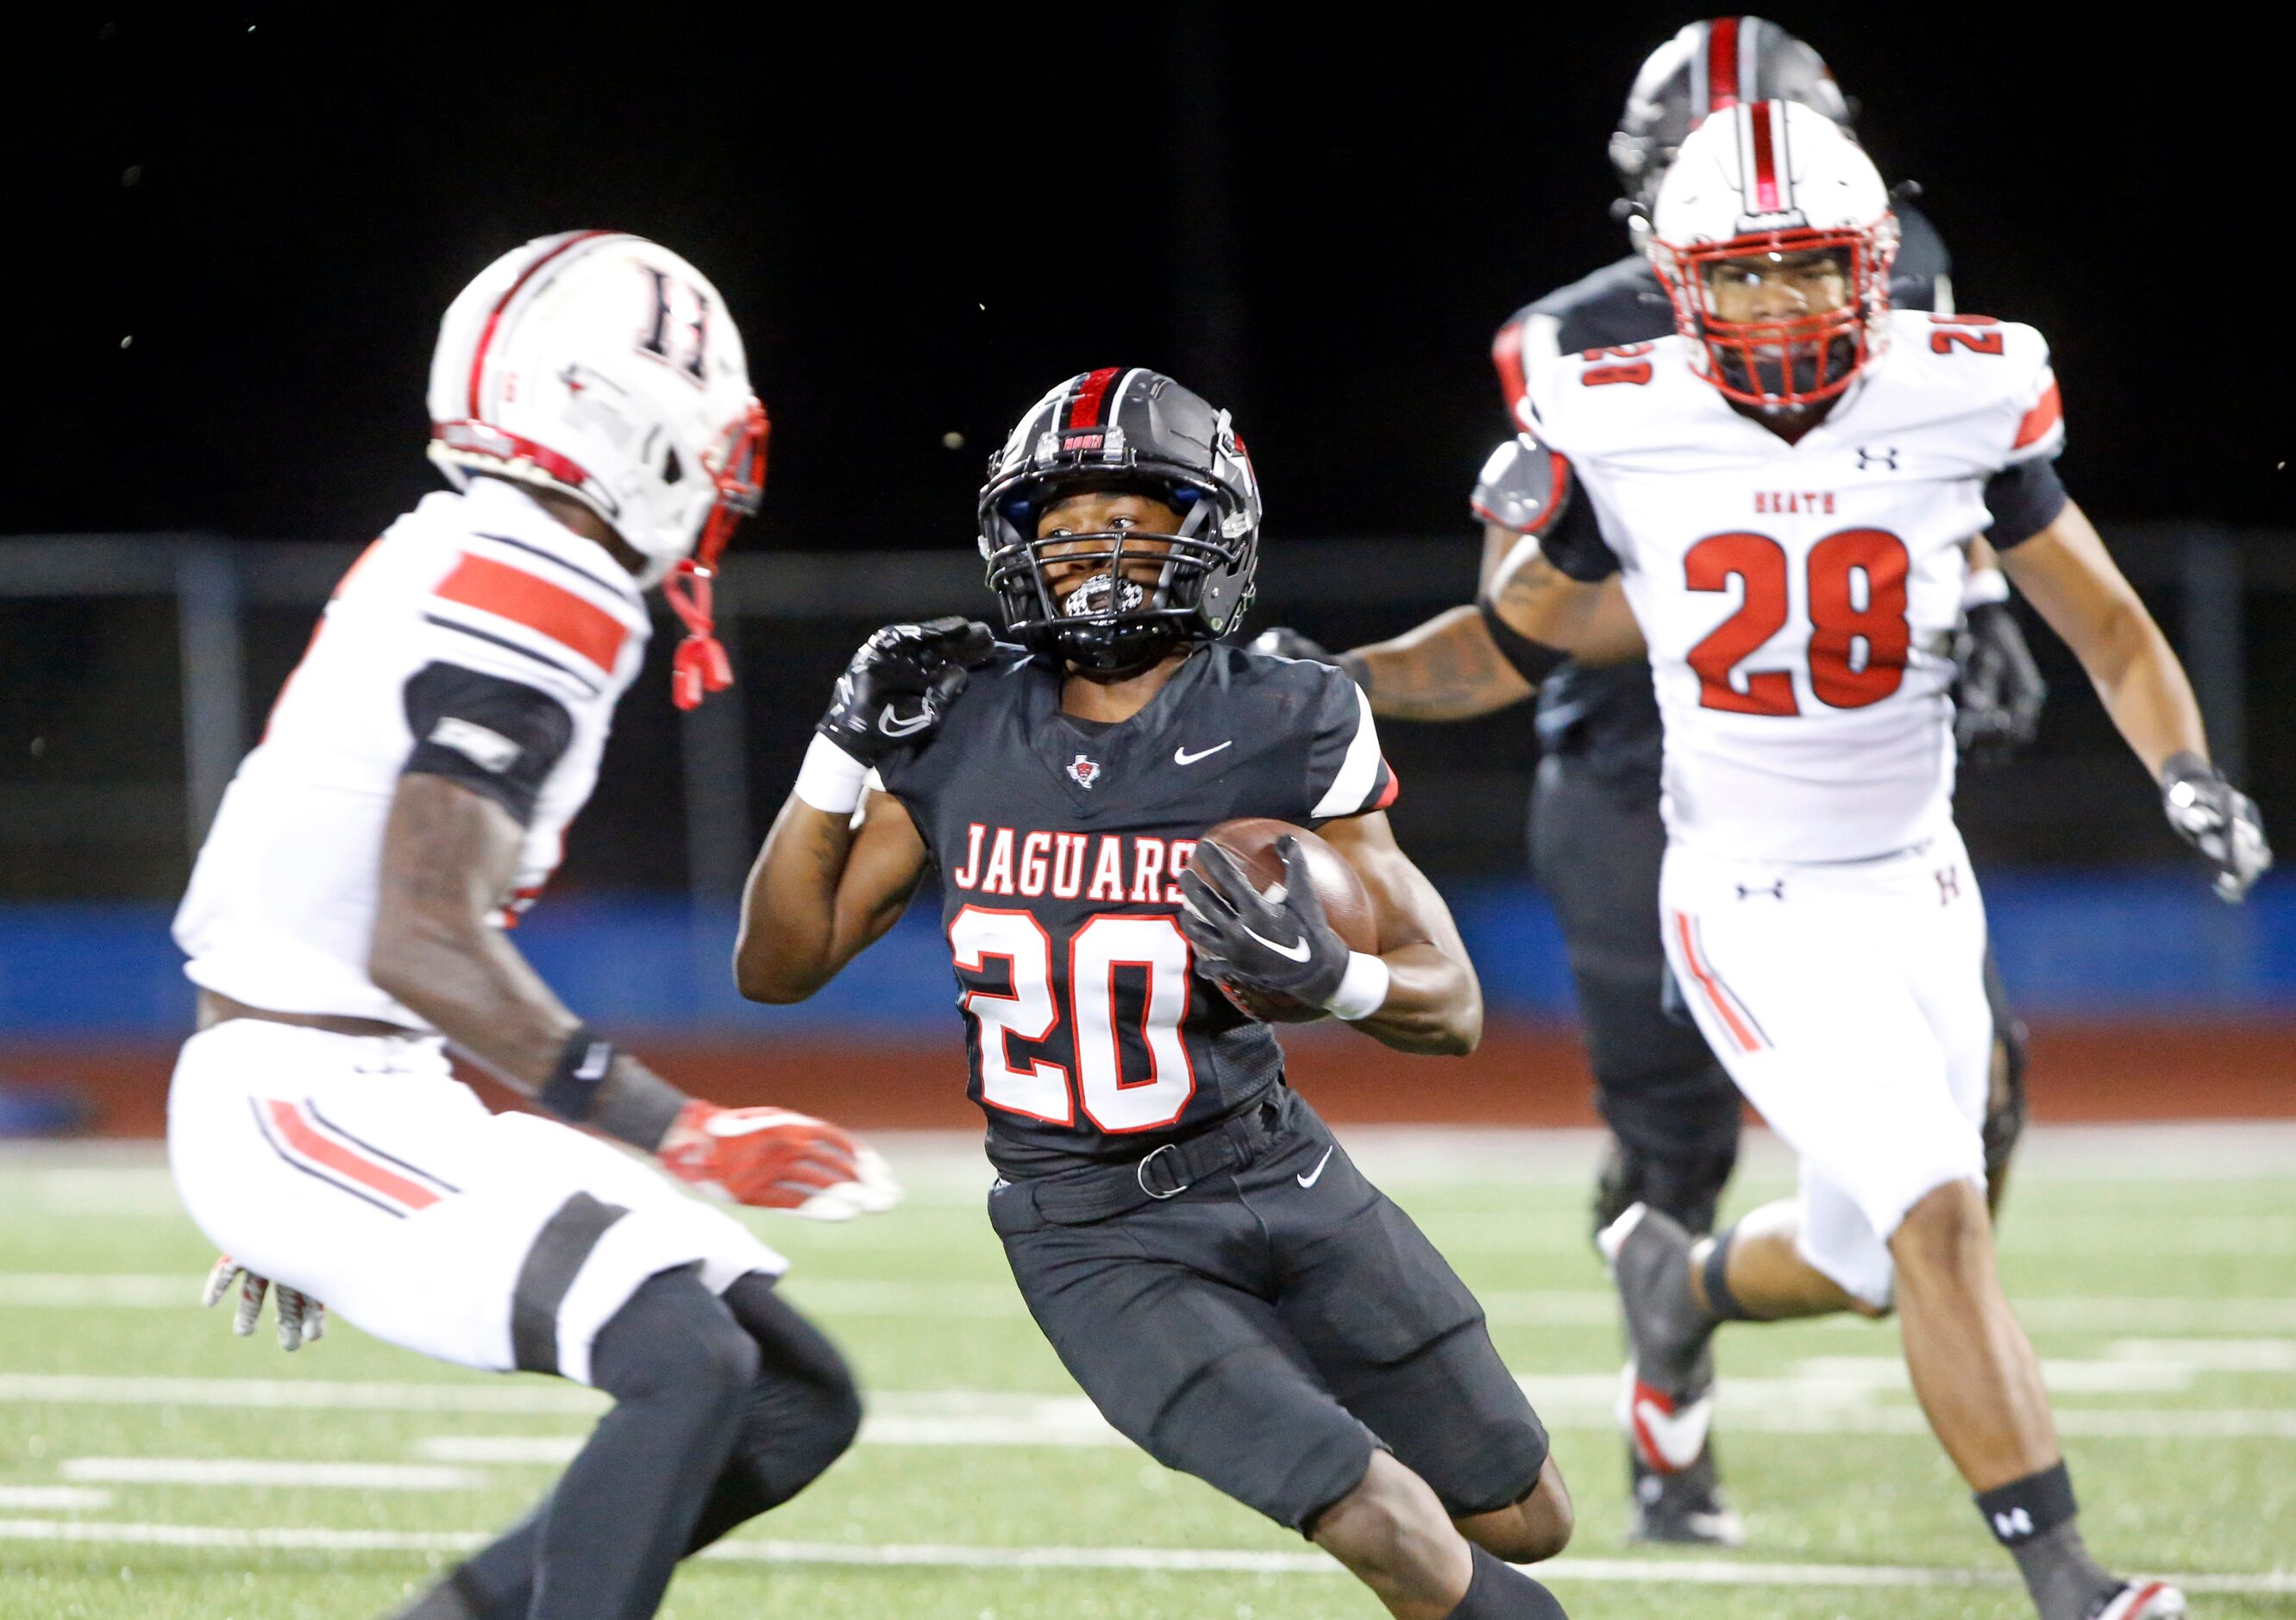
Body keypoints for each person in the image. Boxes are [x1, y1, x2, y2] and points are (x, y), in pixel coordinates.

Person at [1398, 101, 2269, 1620]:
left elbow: (2111, 625)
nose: (1780, 304)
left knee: (1874, 1256)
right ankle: (2067, 1579)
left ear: (1875, 265)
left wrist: (2187, 771)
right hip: (1751, 896)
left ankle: (1675, 1284)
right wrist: (1315, 683)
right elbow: (1501, 648)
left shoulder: (1961, 392)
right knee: (1936, 1210)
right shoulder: (1611, 415)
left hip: (1921, 882)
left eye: (1811, 269)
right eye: (1741, 275)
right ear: (1675, 282)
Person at [1256, 14, 2044, 1545]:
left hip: (1848, 761)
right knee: (1675, 1134)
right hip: (1638, 752)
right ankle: (1667, 1416)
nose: (1772, 258)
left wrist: (1991, 596)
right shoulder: (1573, 343)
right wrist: (1361, 680)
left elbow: (1929, 473)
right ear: (1655, 208)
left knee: (1981, 1101)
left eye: (1806, 235)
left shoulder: (1905, 276)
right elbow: (1524, 604)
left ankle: (1857, 1278)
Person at [737, 368, 1574, 1620]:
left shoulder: (1291, 715)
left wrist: (1334, 975)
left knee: (1526, 1513)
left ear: (1213, 531)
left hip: (1276, 1166)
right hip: (1089, 1228)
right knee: (1383, 1520)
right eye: (1062, 526)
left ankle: (1306, 1412)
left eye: (1133, 517)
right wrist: (839, 748)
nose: (1093, 553)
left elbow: (1450, 1005)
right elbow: (778, 965)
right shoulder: (959, 725)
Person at [167, 230, 898, 1620]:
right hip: (315, 1084)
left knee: (793, 1400)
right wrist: (676, 1126)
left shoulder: (458, 540)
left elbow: (309, 831)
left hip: (338, 1081)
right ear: (624, 416)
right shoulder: (540, 582)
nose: (723, 467)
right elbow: (418, 934)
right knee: (685, 1360)